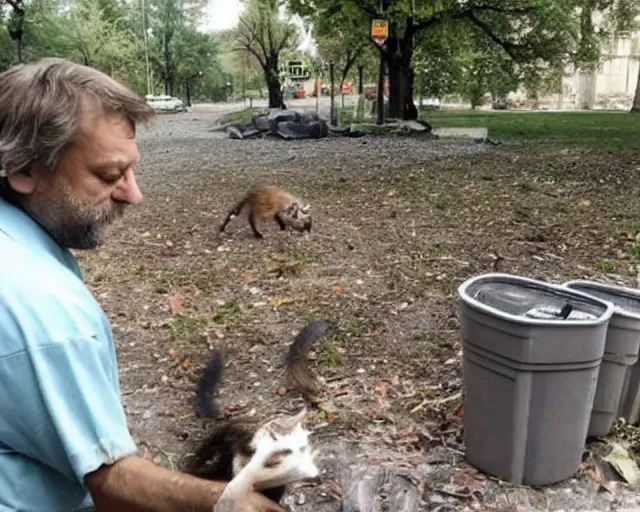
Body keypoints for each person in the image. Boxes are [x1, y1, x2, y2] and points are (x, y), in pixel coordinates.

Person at [0, 58, 284, 512]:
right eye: (110, 175)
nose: (134, 194)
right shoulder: (43, 307)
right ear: (24, 169)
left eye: (131, 171)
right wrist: (233, 503)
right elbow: (111, 483)